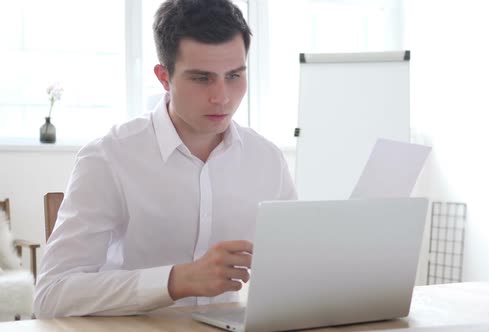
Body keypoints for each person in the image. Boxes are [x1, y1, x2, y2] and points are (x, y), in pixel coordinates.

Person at [33, 0, 296, 318]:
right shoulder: (107, 158)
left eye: (234, 76)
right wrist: (175, 280)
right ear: (163, 77)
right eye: (202, 78)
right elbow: (51, 297)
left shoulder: (267, 160)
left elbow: (297, 270)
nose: (222, 96)